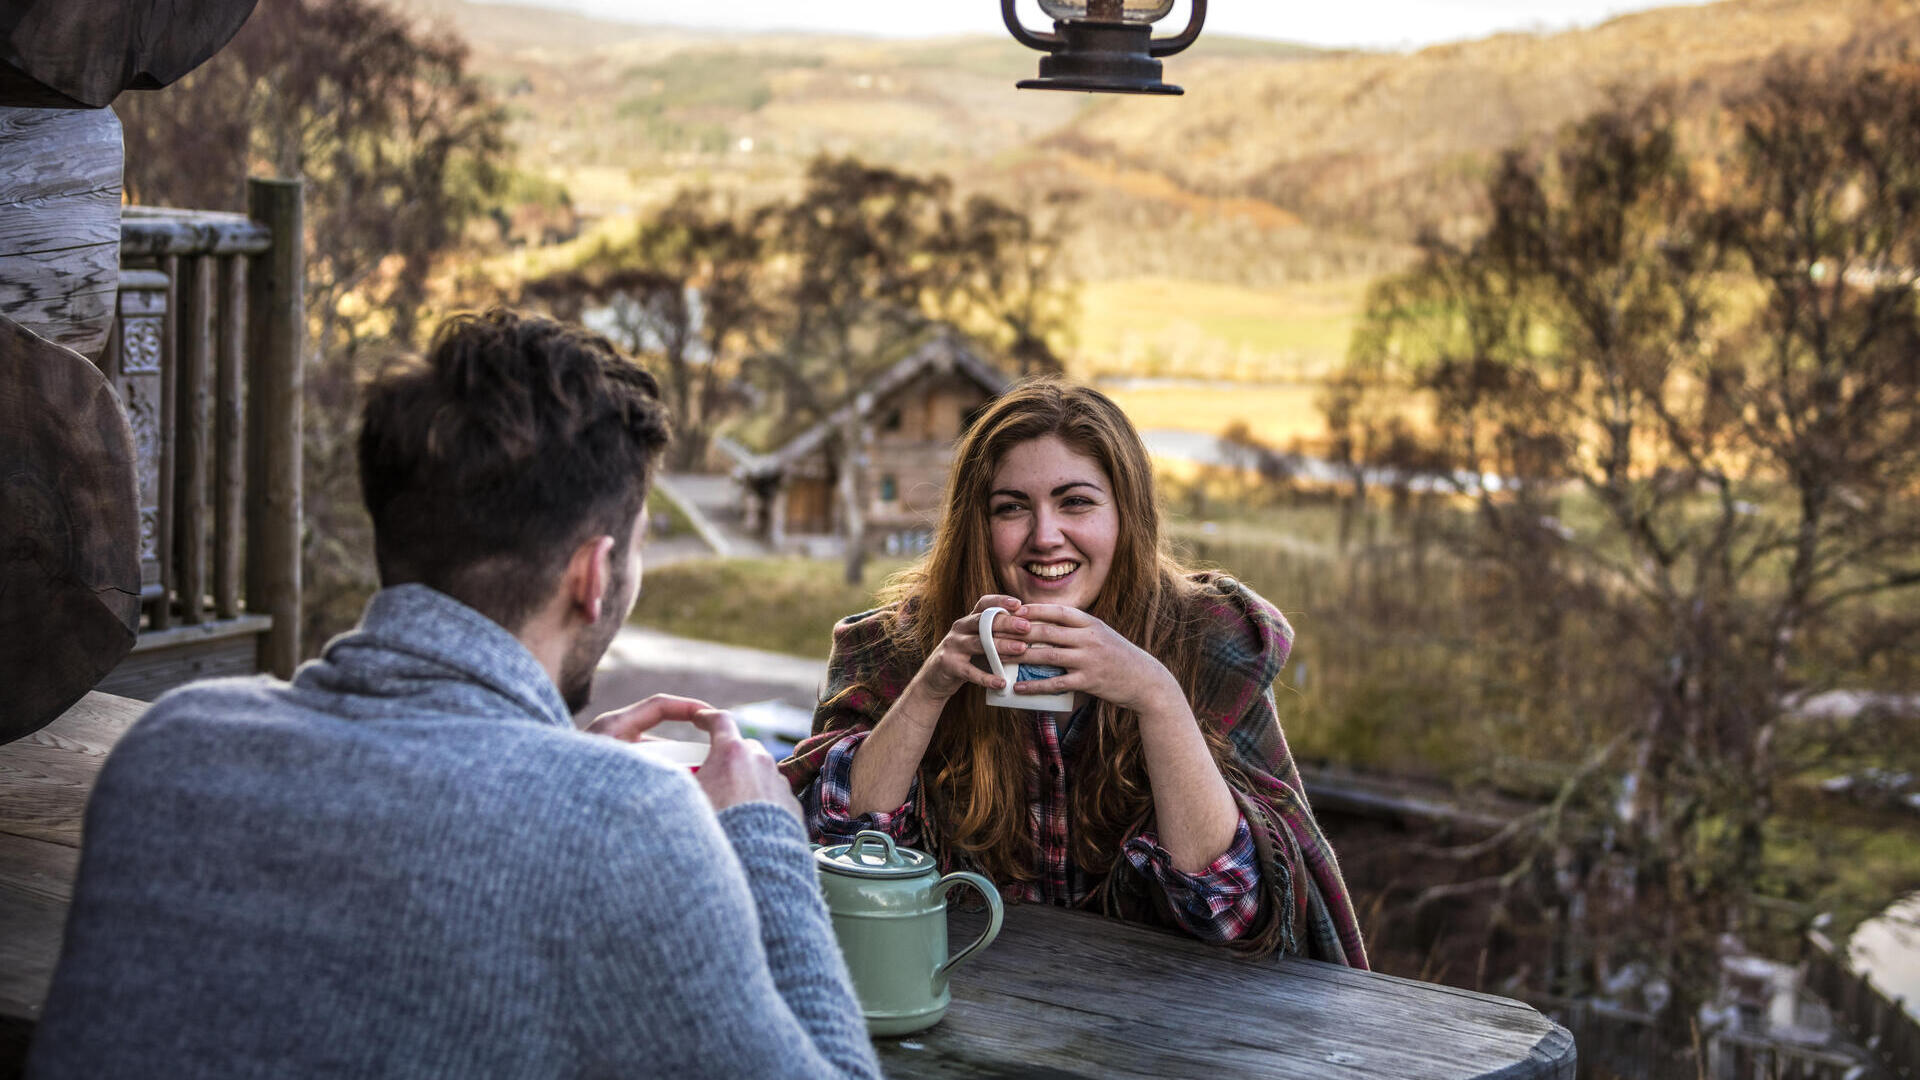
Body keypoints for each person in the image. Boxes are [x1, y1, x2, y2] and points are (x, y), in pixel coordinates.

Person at [29, 311, 882, 1079]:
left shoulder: (173, 749)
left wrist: (559, 772)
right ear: (595, 574)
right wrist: (764, 835)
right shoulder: (628, 830)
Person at [782, 379, 1368, 965]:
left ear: (1125, 515)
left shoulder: (1205, 641)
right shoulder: (900, 645)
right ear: (976, 526)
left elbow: (1229, 912)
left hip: (1165, 1022)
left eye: (1076, 502)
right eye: (1012, 507)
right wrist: (931, 687)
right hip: (956, 998)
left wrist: (1154, 693)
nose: (1044, 536)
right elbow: (840, 859)